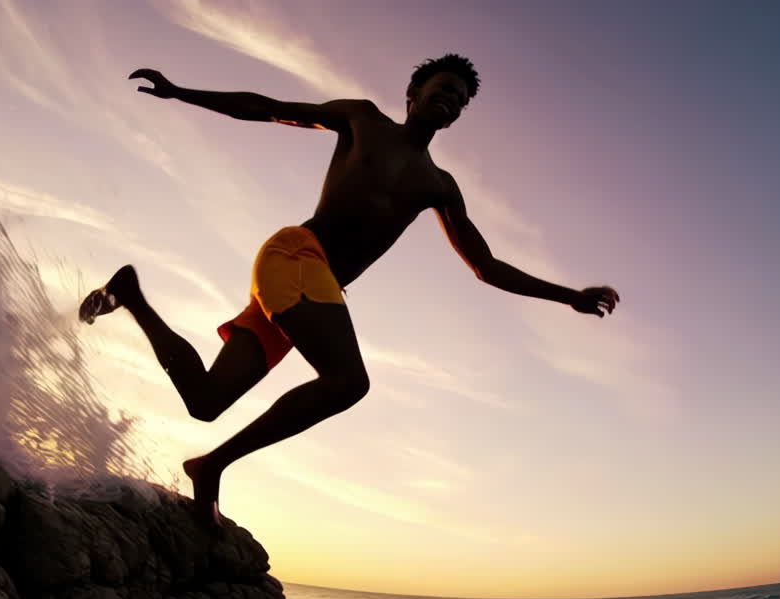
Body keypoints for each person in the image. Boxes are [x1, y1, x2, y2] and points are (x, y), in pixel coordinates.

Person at [79, 54, 620, 529]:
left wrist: (567, 295)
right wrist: (180, 91)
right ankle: (211, 466)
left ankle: (131, 295)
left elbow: (486, 266)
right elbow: (267, 106)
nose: (450, 102)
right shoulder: (362, 118)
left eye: (459, 100)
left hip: (309, 288)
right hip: (295, 255)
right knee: (347, 382)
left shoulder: (440, 185)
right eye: (443, 89)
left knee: (205, 401)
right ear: (413, 94)